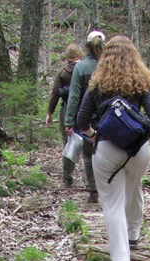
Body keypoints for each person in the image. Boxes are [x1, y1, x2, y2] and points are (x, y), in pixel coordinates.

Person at [76, 35, 150, 261]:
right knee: (134, 188)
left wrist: (95, 137)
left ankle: (120, 258)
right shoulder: (141, 81)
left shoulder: (97, 84)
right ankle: (133, 234)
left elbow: (81, 121)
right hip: (138, 148)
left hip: (106, 149)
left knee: (113, 202)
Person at [64, 30, 106, 204]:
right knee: (107, 154)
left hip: (86, 118)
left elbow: (74, 96)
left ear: (87, 46)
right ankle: (106, 189)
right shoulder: (109, 66)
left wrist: (69, 121)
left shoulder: (80, 67)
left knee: (88, 155)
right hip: (107, 118)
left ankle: (93, 190)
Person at [45, 43, 84, 188]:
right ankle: (89, 180)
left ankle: (68, 176)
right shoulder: (88, 70)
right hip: (86, 112)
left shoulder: (63, 73)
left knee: (69, 142)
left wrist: (49, 112)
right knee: (88, 143)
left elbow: (55, 94)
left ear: (68, 56)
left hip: (67, 110)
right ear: (80, 55)